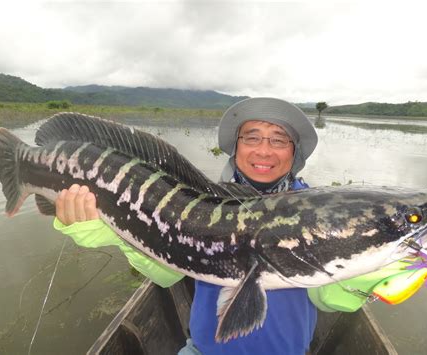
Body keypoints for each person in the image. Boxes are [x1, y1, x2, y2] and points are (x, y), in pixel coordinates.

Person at [54, 98, 405, 354]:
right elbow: (167, 276)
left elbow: (326, 299)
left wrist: (361, 277)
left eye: (278, 139)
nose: (264, 150)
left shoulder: (320, 213)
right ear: (235, 148)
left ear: (293, 153)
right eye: (252, 137)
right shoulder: (195, 201)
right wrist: (117, 231)